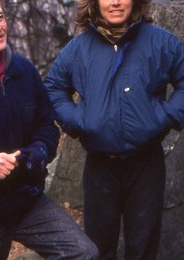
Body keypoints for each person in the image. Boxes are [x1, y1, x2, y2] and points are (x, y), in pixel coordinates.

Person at [0, 0, 99, 259]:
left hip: (26, 200)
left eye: (0, 17)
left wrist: (39, 151)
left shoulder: (23, 70)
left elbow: (46, 126)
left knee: (83, 252)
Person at [44, 0, 184, 258]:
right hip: (100, 166)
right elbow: (53, 88)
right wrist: (78, 120)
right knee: (98, 248)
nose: (116, 2)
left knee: (143, 248)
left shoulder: (161, 42)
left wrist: (165, 116)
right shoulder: (79, 49)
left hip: (146, 164)